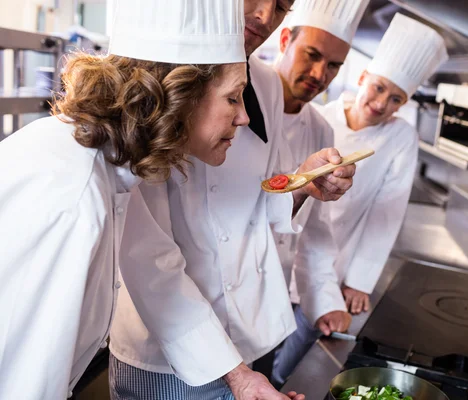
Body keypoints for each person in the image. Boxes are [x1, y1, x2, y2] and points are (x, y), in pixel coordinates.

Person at [0, 0, 249, 398]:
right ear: (180, 94)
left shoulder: (107, 165)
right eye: (234, 98)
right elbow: (23, 386)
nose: (243, 118)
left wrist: (240, 376)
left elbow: (153, 263)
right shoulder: (74, 198)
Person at [107, 0, 356, 399]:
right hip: (170, 345)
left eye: (281, 6)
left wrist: (303, 184)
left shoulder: (268, 85)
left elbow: (260, 200)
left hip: (244, 337)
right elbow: (146, 255)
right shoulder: (157, 78)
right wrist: (235, 375)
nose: (264, 16)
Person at [272, 12, 449, 384]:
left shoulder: (400, 138)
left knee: (299, 350)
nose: (382, 102)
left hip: (336, 259)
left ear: (403, 105)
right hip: (286, 250)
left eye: (396, 98)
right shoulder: (320, 117)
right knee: (271, 338)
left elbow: (387, 213)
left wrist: (359, 281)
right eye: (379, 87)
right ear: (363, 77)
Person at [268, 0, 369, 387]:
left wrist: (326, 302)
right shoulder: (240, 105)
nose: (319, 74)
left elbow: (314, 232)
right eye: (312, 55)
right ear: (285, 40)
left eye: (333, 66)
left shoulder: (320, 130)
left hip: (267, 308)